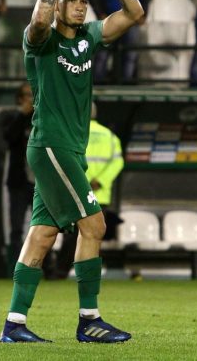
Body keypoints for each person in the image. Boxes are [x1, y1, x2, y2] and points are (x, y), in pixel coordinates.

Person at [0, 0, 144, 343]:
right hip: (51, 145)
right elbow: (38, 21)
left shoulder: (89, 37)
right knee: (94, 226)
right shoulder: (40, 43)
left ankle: (14, 324)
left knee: (43, 234)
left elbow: (134, 13)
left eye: (84, 0)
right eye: (73, 0)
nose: (81, 6)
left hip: (69, 151)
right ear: (58, 3)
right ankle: (89, 320)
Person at [51, 103, 125, 279]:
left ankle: (60, 272)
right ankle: (88, 274)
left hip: (75, 191)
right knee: (93, 235)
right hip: (99, 195)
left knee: (72, 235)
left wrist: (81, 182)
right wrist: (100, 181)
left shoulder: (71, 133)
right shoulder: (110, 136)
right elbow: (118, 162)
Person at [2, 83, 35, 266]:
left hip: (40, 182)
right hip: (19, 181)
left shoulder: (42, 119)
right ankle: (16, 267)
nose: (30, 99)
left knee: (44, 227)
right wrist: (22, 115)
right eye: (27, 95)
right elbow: (9, 137)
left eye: (33, 95)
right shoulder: (12, 117)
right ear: (20, 98)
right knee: (16, 227)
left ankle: (44, 267)